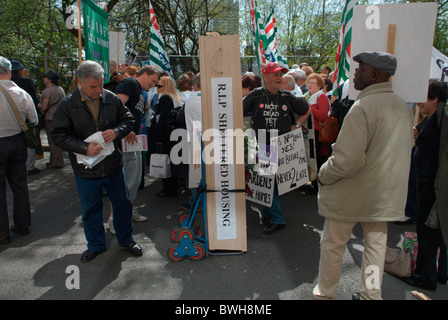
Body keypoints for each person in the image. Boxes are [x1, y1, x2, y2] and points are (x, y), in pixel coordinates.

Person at [312, 52, 414, 300]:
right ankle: (370, 295)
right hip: (382, 195)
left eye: (361, 69)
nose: (355, 73)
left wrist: (322, 175)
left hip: (351, 194)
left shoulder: (363, 107)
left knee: (333, 247)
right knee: (375, 249)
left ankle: (325, 294)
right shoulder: (401, 106)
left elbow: (347, 160)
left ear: (376, 75)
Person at [51, 60, 143, 262]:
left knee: (123, 205)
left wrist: (116, 132)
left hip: (113, 166)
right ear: (80, 82)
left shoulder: (111, 98)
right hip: (86, 170)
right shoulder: (68, 104)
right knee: (91, 209)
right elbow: (58, 135)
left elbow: (128, 120)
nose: (99, 90)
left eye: (101, 84)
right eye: (93, 86)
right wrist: (84, 147)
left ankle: (126, 239)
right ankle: (96, 245)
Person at [243, 62, 310, 235]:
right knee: (267, 182)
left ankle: (277, 218)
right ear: (265, 77)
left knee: (276, 184)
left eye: (280, 75)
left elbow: (306, 109)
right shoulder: (255, 95)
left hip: (284, 145)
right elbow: (238, 111)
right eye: (275, 75)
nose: (279, 78)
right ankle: (270, 214)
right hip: (264, 143)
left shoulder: (287, 97)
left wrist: (297, 124)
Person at [403, 79, 448, 291]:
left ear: (436, 98)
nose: (419, 102)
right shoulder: (434, 117)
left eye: (424, 98)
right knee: (433, 229)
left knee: (428, 229)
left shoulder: (443, 118)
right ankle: (438, 273)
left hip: (434, 184)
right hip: (429, 182)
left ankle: (424, 276)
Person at [115, 65, 160, 223]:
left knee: (134, 179)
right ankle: (117, 218)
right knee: (128, 179)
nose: (153, 85)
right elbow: (116, 105)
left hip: (134, 140)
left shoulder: (141, 91)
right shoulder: (131, 84)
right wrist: (125, 129)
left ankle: (128, 210)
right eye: (153, 80)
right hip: (126, 139)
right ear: (145, 74)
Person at [0, 57, 37, 244]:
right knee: (19, 185)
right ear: (9, 71)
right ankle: (22, 224)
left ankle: (2, 232)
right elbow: (34, 119)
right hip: (17, 142)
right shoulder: (21, 93)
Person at [149, 76, 181, 197]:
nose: (157, 88)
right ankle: (172, 187)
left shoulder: (165, 98)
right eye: (157, 85)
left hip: (165, 135)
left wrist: (158, 138)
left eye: (159, 86)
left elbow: (162, 119)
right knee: (171, 161)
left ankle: (169, 188)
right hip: (172, 134)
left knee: (165, 162)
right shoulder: (174, 97)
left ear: (166, 87)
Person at [10, 60, 43, 174]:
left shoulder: (6, 83)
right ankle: (29, 166)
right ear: (20, 70)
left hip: (9, 118)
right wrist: (34, 120)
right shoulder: (27, 82)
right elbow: (33, 98)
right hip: (25, 117)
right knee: (29, 140)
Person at [302, 73, 331, 195]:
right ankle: (307, 183)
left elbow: (323, 116)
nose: (309, 85)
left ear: (319, 85)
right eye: (308, 82)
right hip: (306, 133)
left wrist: (308, 108)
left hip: (317, 134)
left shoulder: (322, 97)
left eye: (313, 83)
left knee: (316, 160)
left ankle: (315, 185)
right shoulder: (305, 96)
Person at [179, 73, 202, 211]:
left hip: (195, 139)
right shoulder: (217, 97)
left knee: (195, 175)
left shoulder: (190, 98)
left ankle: (196, 202)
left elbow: (180, 117)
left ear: (195, 85)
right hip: (213, 138)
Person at [38, 70, 66, 169]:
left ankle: (57, 162)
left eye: (45, 77)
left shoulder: (47, 91)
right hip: (60, 116)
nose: (44, 79)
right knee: (57, 139)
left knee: (52, 140)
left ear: (49, 79)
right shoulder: (60, 89)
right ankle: (54, 160)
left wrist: (39, 105)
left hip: (50, 117)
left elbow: (44, 107)